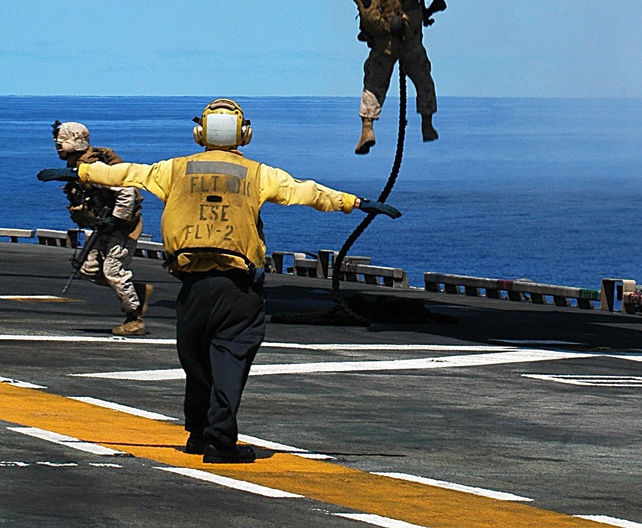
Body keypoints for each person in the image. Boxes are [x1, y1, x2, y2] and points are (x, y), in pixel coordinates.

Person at [39, 98, 398, 464]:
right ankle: (220, 443)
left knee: (195, 360)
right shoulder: (258, 174)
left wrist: (78, 174)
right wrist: (357, 202)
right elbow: (309, 193)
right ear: (244, 134)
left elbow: (126, 173)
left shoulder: (175, 170)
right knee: (230, 358)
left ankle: (197, 433)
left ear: (200, 134)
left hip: (192, 286)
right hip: (237, 287)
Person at [50, 120, 151, 336]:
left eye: (62, 142)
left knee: (113, 271)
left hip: (123, 227)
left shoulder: (95, 167)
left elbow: (127, 192)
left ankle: (135, 318)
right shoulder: (79, 165)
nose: (58, 146)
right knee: (88, 268)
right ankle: (134, 292)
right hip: (104, 227)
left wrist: (115, 219)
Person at [353, 0, 439, 153]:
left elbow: (370, 22)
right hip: (409, 41)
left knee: (373, 84)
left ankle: (367, 129)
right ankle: (427, 125)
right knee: (423, 79)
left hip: (384, 46)